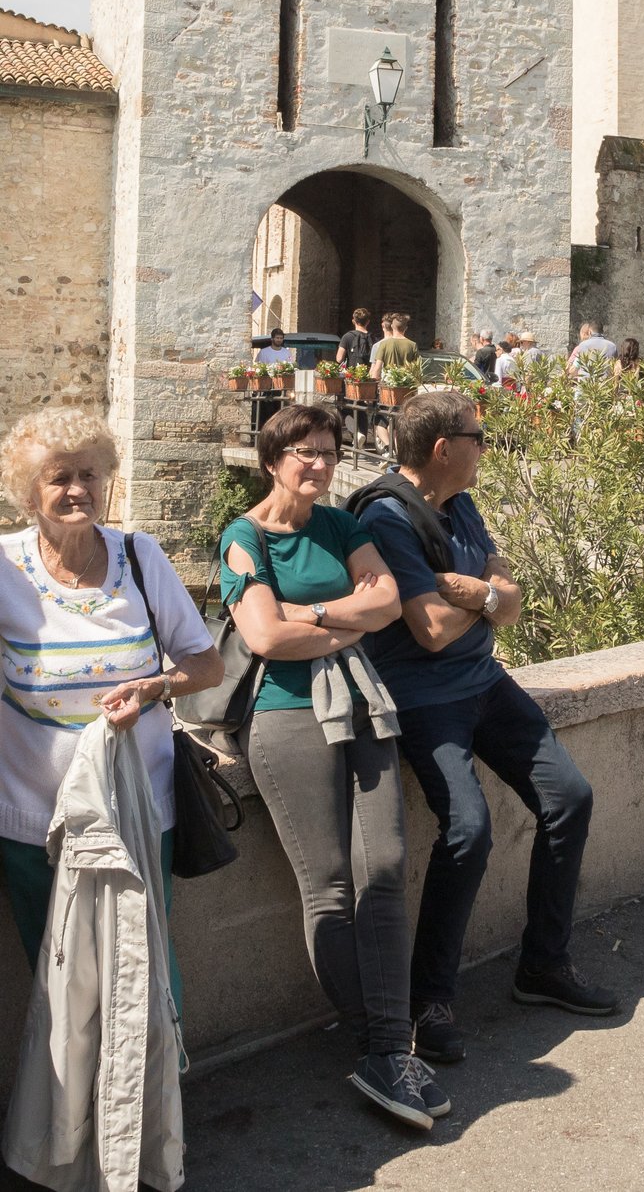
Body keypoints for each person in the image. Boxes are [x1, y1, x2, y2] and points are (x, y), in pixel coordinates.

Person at [353, 390, 617, 1066]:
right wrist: (491, 597)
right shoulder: (387, 517)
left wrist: (481, 592)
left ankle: (544, 964)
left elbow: (508, 595)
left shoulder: (460, 503)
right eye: (478, 437)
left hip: (486, 684)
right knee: (468, 830)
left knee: (570, 796)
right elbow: (431, 630)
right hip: (426, 698)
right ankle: (429, 1001)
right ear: (444, 449)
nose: (485, 448)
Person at [221, 402, 450, 1131]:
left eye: (327, 451)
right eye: (305, 453)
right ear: (272, 461)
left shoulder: (342, 525)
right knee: (328, 887)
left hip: (361, 708)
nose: (319, 464)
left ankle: (389, 1050)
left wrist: (311, 617)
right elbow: (264, 638)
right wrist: (342, 618)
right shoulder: (244, 536)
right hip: (287, 717)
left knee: (383, 871)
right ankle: (381, 1049)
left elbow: (388, 602)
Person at [0, 408, 222, 977]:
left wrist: (155, 688)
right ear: (29, 493)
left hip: (138, 808)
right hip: (34, 816)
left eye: (89, 475)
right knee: (58, 977)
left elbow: (207, 664)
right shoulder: (5, 567)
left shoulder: (140, 555)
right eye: (59, 478)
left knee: (140, 969)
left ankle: (157, 1045)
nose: (78, 489)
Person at [370, 313, 419, 377]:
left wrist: (374, 379)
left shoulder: (384, 344)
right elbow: (416, 369)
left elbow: (377, 369)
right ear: (406, 328)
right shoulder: (413, 345)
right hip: (407, 382)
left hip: (388, 382)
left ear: (392, 326)